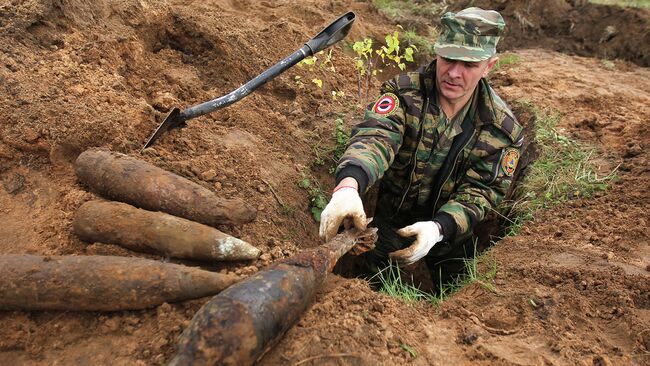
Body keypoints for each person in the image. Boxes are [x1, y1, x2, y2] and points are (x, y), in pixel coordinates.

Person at [319, 8, 524, 288]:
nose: (453, 73)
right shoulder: (404, 95)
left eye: (468, 65)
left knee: (460, 292)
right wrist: (348, 186)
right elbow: (376, 137)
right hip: (392, 221)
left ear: (489, 66)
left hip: (452, 236)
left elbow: (483, 191)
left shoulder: (501, 131)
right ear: (437, 54)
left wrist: (440, 228)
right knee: (370, 289)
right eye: (448, 59)